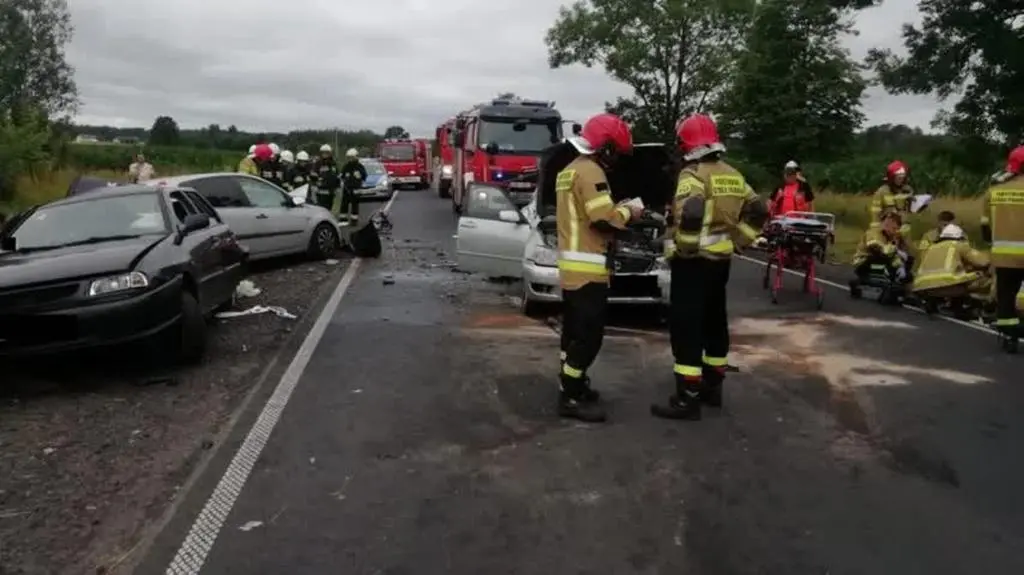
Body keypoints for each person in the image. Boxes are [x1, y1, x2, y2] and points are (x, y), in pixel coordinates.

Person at [653, 114, 767, 421]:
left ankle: (686, 398)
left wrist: (686, 248)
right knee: (715, 321)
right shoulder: (733, 174)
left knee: (687, 327)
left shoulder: (693, 174)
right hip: (721, 262)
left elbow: (691, 213)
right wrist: (739, 240)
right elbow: (758, 209)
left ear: (687, 144)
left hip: (693, 264)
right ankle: (712, 388)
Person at [555, 112, 644, 422]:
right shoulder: (591, 171)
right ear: (604, 147)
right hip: (588, 269)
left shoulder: (569, 170)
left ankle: (573, 385)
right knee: (589, 337)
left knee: (572, 333)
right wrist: (630, 211)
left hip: (572, 268)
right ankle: (570, 396)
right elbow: (603, 219)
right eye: (615, 152)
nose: (615, 159)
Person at [980, 145, 1024, 342]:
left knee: (1006, 294)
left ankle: (1008, 333)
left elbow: (985, 229)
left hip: (1004, 257)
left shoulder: (994, 192)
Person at [911, 223, 991, 305]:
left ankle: (939, 302)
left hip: (924, 288)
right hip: (949, 287)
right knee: (984, 277)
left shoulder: (930, 248)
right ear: (959, 237)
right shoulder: (958, 245)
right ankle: (981, 303)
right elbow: (983, 262)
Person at [850, 211, 911, 293]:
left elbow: (905, 252)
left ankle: (900, 283)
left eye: (897, 229)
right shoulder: (874, 232)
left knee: (907, 261)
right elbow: (875, 247)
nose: (895, 231)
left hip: (881, 259)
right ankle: (880, 281)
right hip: (863, 261)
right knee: (881, 256)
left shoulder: (893, 236)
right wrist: (895, 251)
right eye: (894, 228)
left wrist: (901, 265)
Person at [870, 160, 914, 236]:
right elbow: (875, 213)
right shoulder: (881, 192)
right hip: (886, 229)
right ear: (892, 177)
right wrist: (877, 231)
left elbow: (910, 210)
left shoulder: (907, 190)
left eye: (903, 178)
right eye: (898, 178)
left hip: (904, 228)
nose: (901, 180)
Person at [339, 148, 368, 224]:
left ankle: (354, 220)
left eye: (352, 157)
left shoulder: (360, 166)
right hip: (347, 188)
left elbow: (365, 176)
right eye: (349, 157)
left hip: (356, 189)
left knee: (355, 205)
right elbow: (342, 175)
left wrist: (360, 176)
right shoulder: (346, 166)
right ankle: (343, 219)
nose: (350, 159)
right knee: (344, 204)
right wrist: (342, 178)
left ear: (356, 157)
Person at [310, 144, 340, 211]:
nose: (325, 154)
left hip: (331, 192)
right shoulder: (318, 164)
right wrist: (314, 185)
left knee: (329, 209)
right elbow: (313, 175)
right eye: (323, 152)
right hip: (321, 191)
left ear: (330, 153)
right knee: (321, 210)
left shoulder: (333, 164)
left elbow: (337, 176)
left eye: (326, 153)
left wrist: (337, 187)